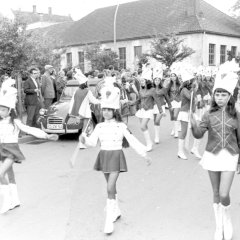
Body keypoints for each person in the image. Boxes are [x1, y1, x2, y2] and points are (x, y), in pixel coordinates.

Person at [79, 84, 150, 234]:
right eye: (104, 109)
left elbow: (132, 140)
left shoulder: (120, 126)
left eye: (109, 110)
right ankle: (116, 210)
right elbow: (92, 143)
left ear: (114, 111)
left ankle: (109, 219)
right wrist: (84, 139)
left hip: (116, 156)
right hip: (104, 156)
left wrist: (144, 154)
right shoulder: (99, 127)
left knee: (110, 187)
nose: (105, 112)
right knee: (111, 188)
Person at [190, 69, 240, 240]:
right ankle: (219, 226)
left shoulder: (237, 115)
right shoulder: (208, 114)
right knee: (216, 192)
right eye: (217, 94)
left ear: (229, 97)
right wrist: (193, 124)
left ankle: (227, 220)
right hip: (212, 155)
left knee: (225, 194)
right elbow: (198, 134)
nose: (219, 98)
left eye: (223, 95)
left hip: (231, 156)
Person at [0, 87, 58, 214]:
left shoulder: (14, 122)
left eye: (3, 110)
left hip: (11, 150)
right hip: (1, 150)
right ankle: (15, 200)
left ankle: (6, 201)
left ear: (9, 110)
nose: (0, 112)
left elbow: (29, 129)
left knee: (1, 174)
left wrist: (46, 135)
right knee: (10, 175)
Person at [68, 69, 100, 149]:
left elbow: (72, 101)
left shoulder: (76, 91)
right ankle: (82, 144)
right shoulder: (87, 91)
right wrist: (101, 101)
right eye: (87, 82)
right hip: (85, 112)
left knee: (83, 128)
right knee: (84, 129)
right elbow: (94, 101)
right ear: (85, 83)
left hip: (78, 112)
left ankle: (83, 142)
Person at [135, 76, 163, 151]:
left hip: (149, 109)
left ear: (147, 81)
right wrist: (132, 103)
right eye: (140, 81)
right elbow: (139, 99)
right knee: (144, 127)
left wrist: (161, 110)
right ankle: (149, 142)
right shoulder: (140, 89)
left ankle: (149, 144)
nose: (141, 82)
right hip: (141, 110)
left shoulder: (152, 90)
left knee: (142, 126)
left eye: (143, 81)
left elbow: (157, 100)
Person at [177, 71, 197, 160]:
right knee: (183, 132)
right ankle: (180, 152)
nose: (194, 83)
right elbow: (190, 98)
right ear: (189, 82)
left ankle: (191, 148)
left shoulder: (188, 90)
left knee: (190, 130)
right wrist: (194, 90)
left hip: (188, 112)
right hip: (184, 112)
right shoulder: (185, 90)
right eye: (192, 82)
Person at [153, 77, 172, 143]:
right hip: (153, 106)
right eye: (156, 80)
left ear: (160, 81)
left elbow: (167, 98)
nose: (157, 81)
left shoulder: (163, 89)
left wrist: (170, 105)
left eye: (158, 80)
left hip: (161, 106)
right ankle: (156, 136)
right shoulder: (151, 88)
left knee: (157, 121)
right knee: (155, 122)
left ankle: (157, 137)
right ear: (154, 81)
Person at [167, 72, 182, 138]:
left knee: (175, 116)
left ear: (176, 77)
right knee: (173, 117)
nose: (173, 77)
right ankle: (174, 128)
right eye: (171, 76)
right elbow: (166, 93)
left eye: (174, 76)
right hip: (171, 102)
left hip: (178, 101)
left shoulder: (180, 84)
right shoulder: (168, 84)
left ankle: (176, 132)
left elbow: (183, 92)